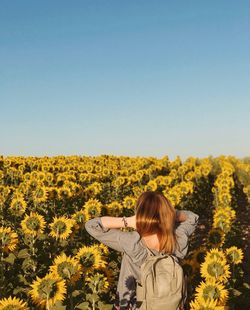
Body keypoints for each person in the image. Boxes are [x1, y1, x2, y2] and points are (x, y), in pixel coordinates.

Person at [85, 191, 199, 310]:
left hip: (136, 304)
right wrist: (168, 216)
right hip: (173, 303)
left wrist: (128, 221)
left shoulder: (132, 242)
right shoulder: (178, 237)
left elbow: (91, 225)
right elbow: (193, 217)